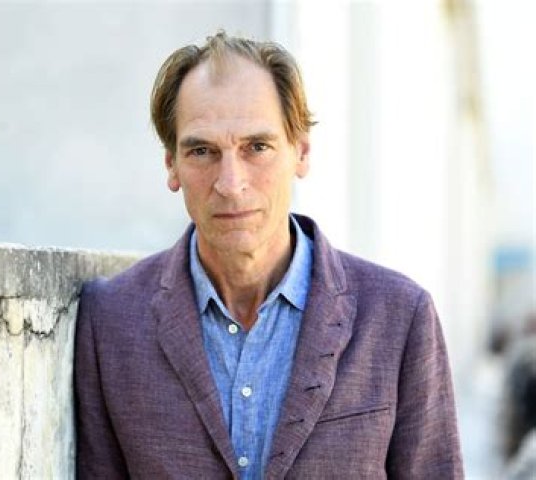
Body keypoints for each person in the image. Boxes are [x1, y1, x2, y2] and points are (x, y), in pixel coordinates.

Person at [74, 31, 463, 479]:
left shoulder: (399, 316)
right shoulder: (112, 321)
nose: (231, 183)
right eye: (202, 151)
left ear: (301, 151)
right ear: (171, 165)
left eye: (257, 147)